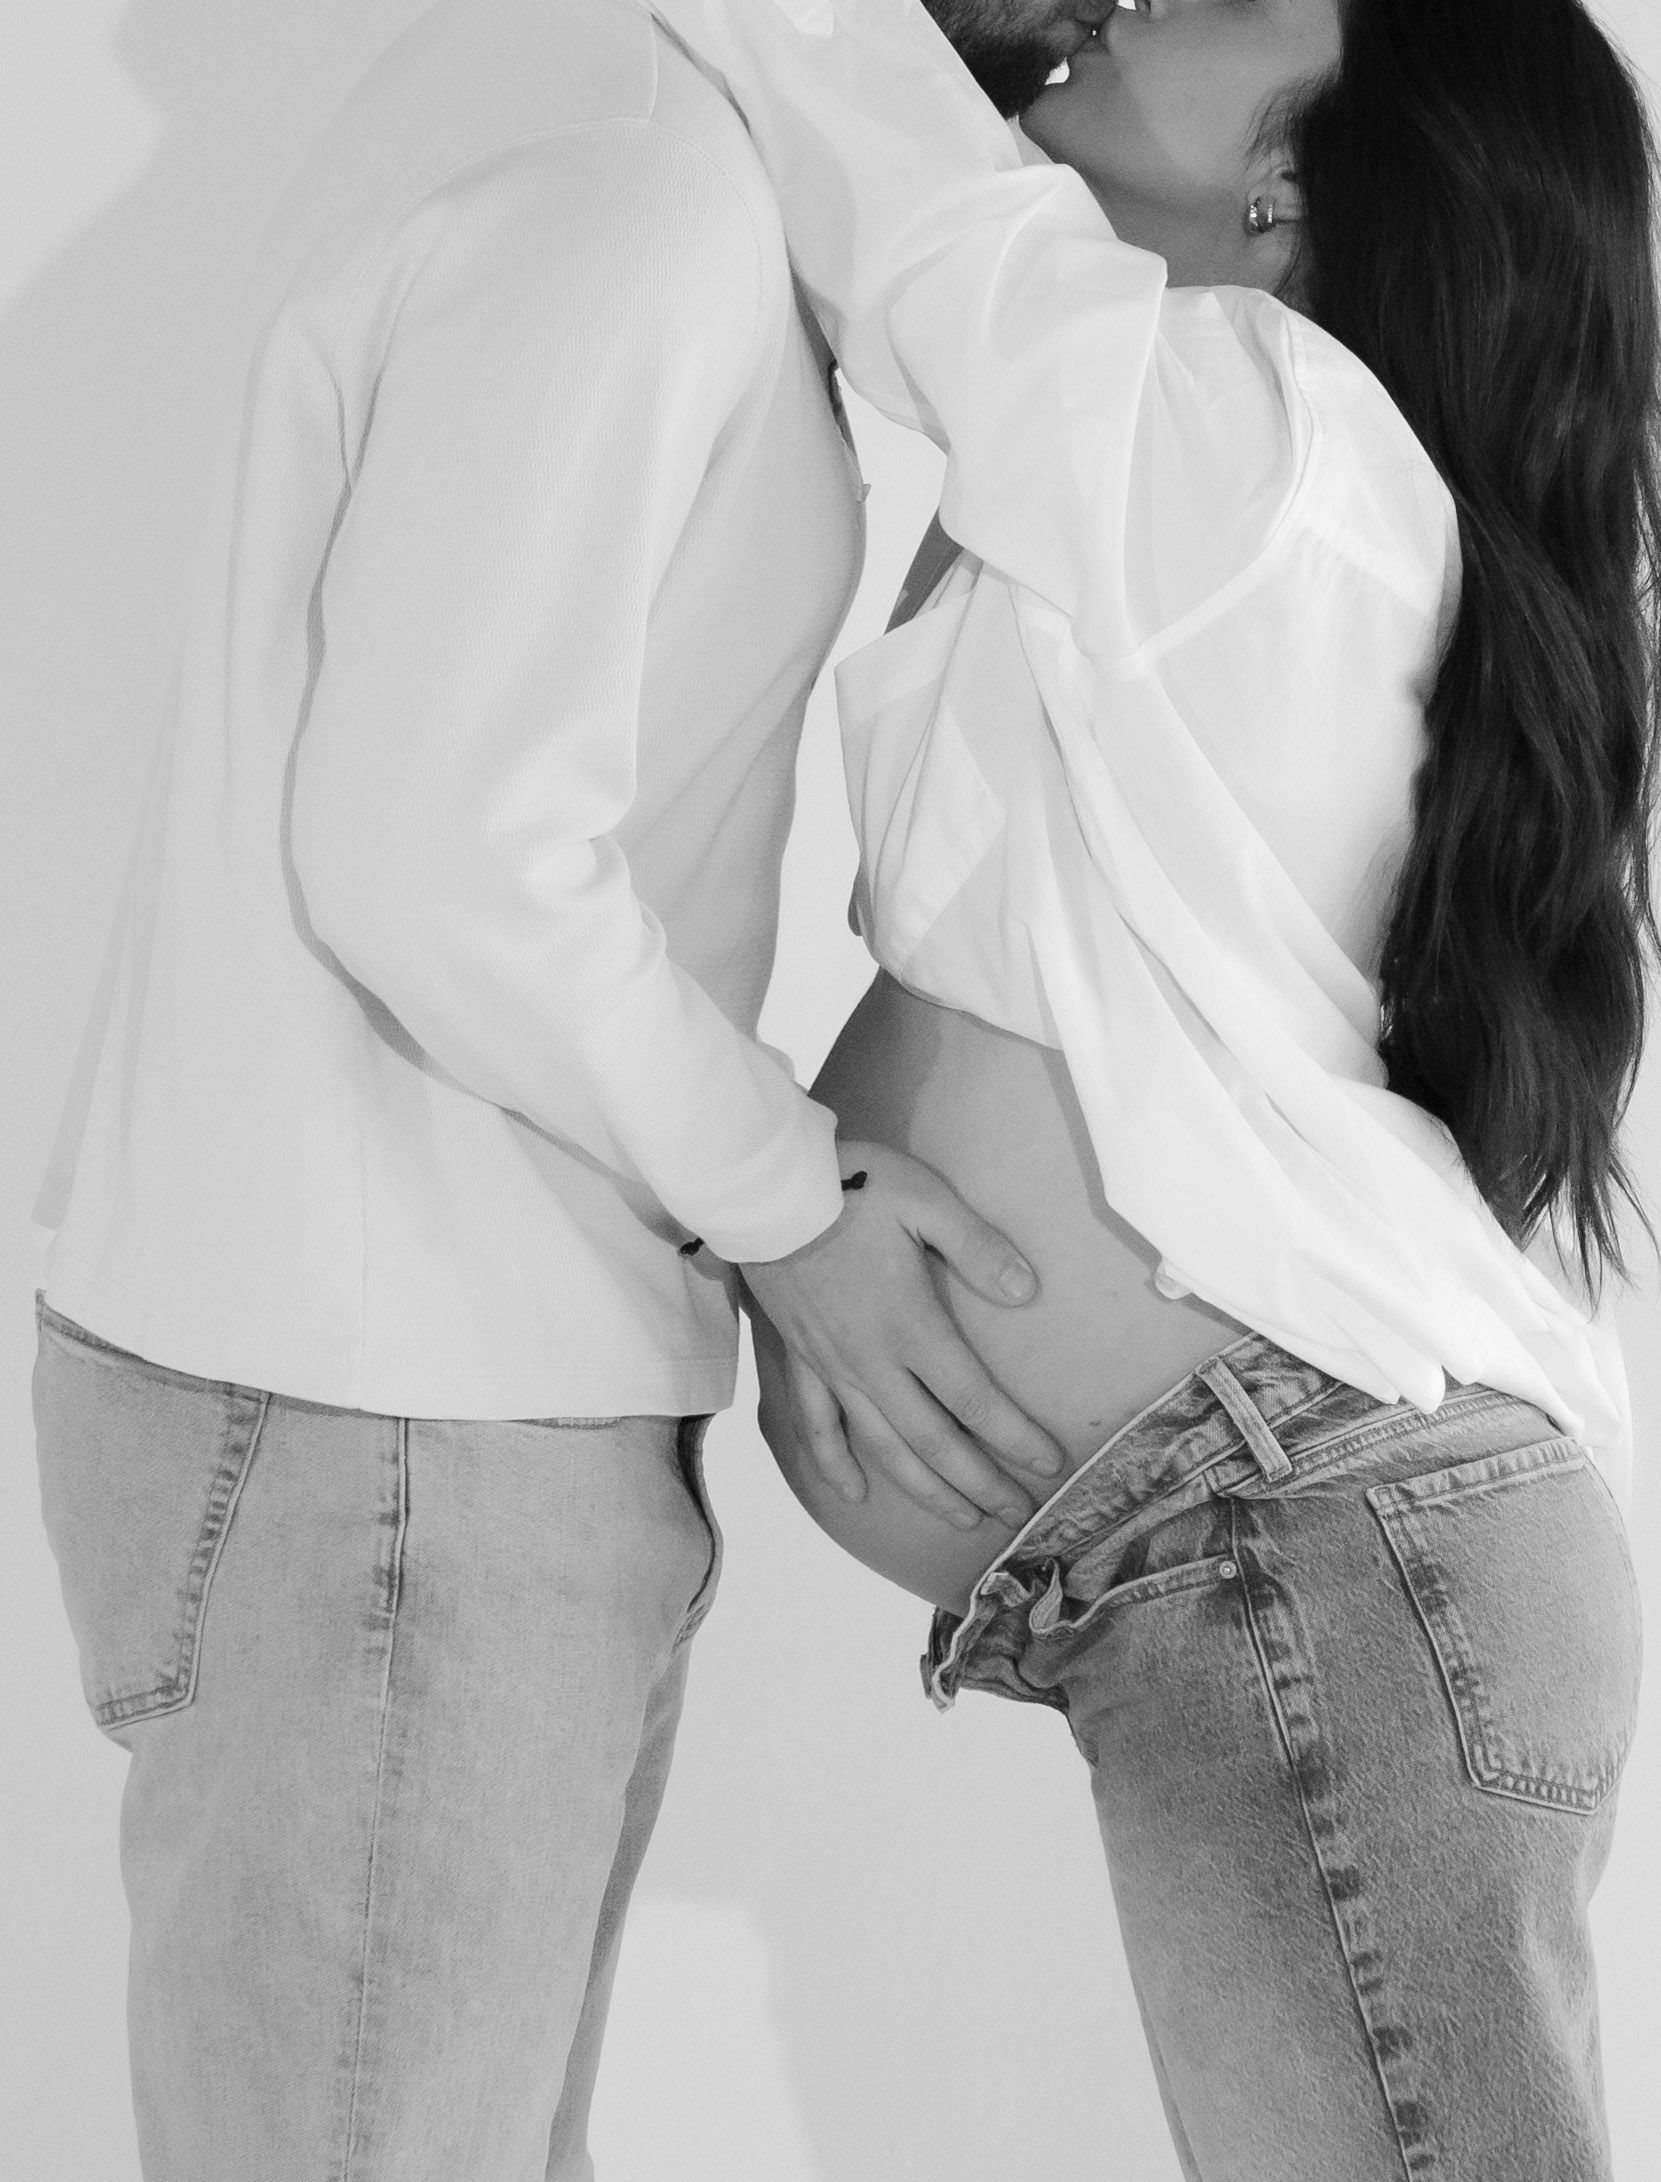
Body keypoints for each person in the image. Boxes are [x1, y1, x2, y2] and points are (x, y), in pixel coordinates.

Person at [26, 0, 1112, 2174]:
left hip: (411, 1404)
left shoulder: (607, 109)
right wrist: (789, 1199)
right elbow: (436, 850)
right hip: (401, 1428)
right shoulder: (634, 177)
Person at [652, 0, 1656, 2175]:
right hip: (1294, 1555)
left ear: (1301, 167)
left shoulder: (1257, 423)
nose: (1128, 2)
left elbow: (873, 150)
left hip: (1310, 1547)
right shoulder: (1197, 476)